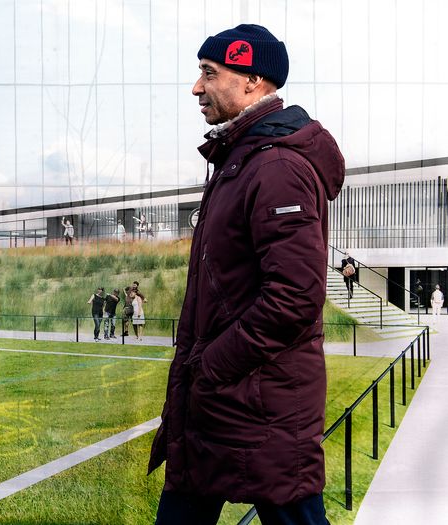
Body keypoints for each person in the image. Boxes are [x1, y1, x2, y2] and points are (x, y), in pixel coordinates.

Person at [148, 24, 344, 525]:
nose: (196, 88)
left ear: (252, 81)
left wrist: (210, 367)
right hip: (221, 405)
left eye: (209, 75)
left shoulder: (275, 166)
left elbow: (295, 297)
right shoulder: (241, 158)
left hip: (257, 409)